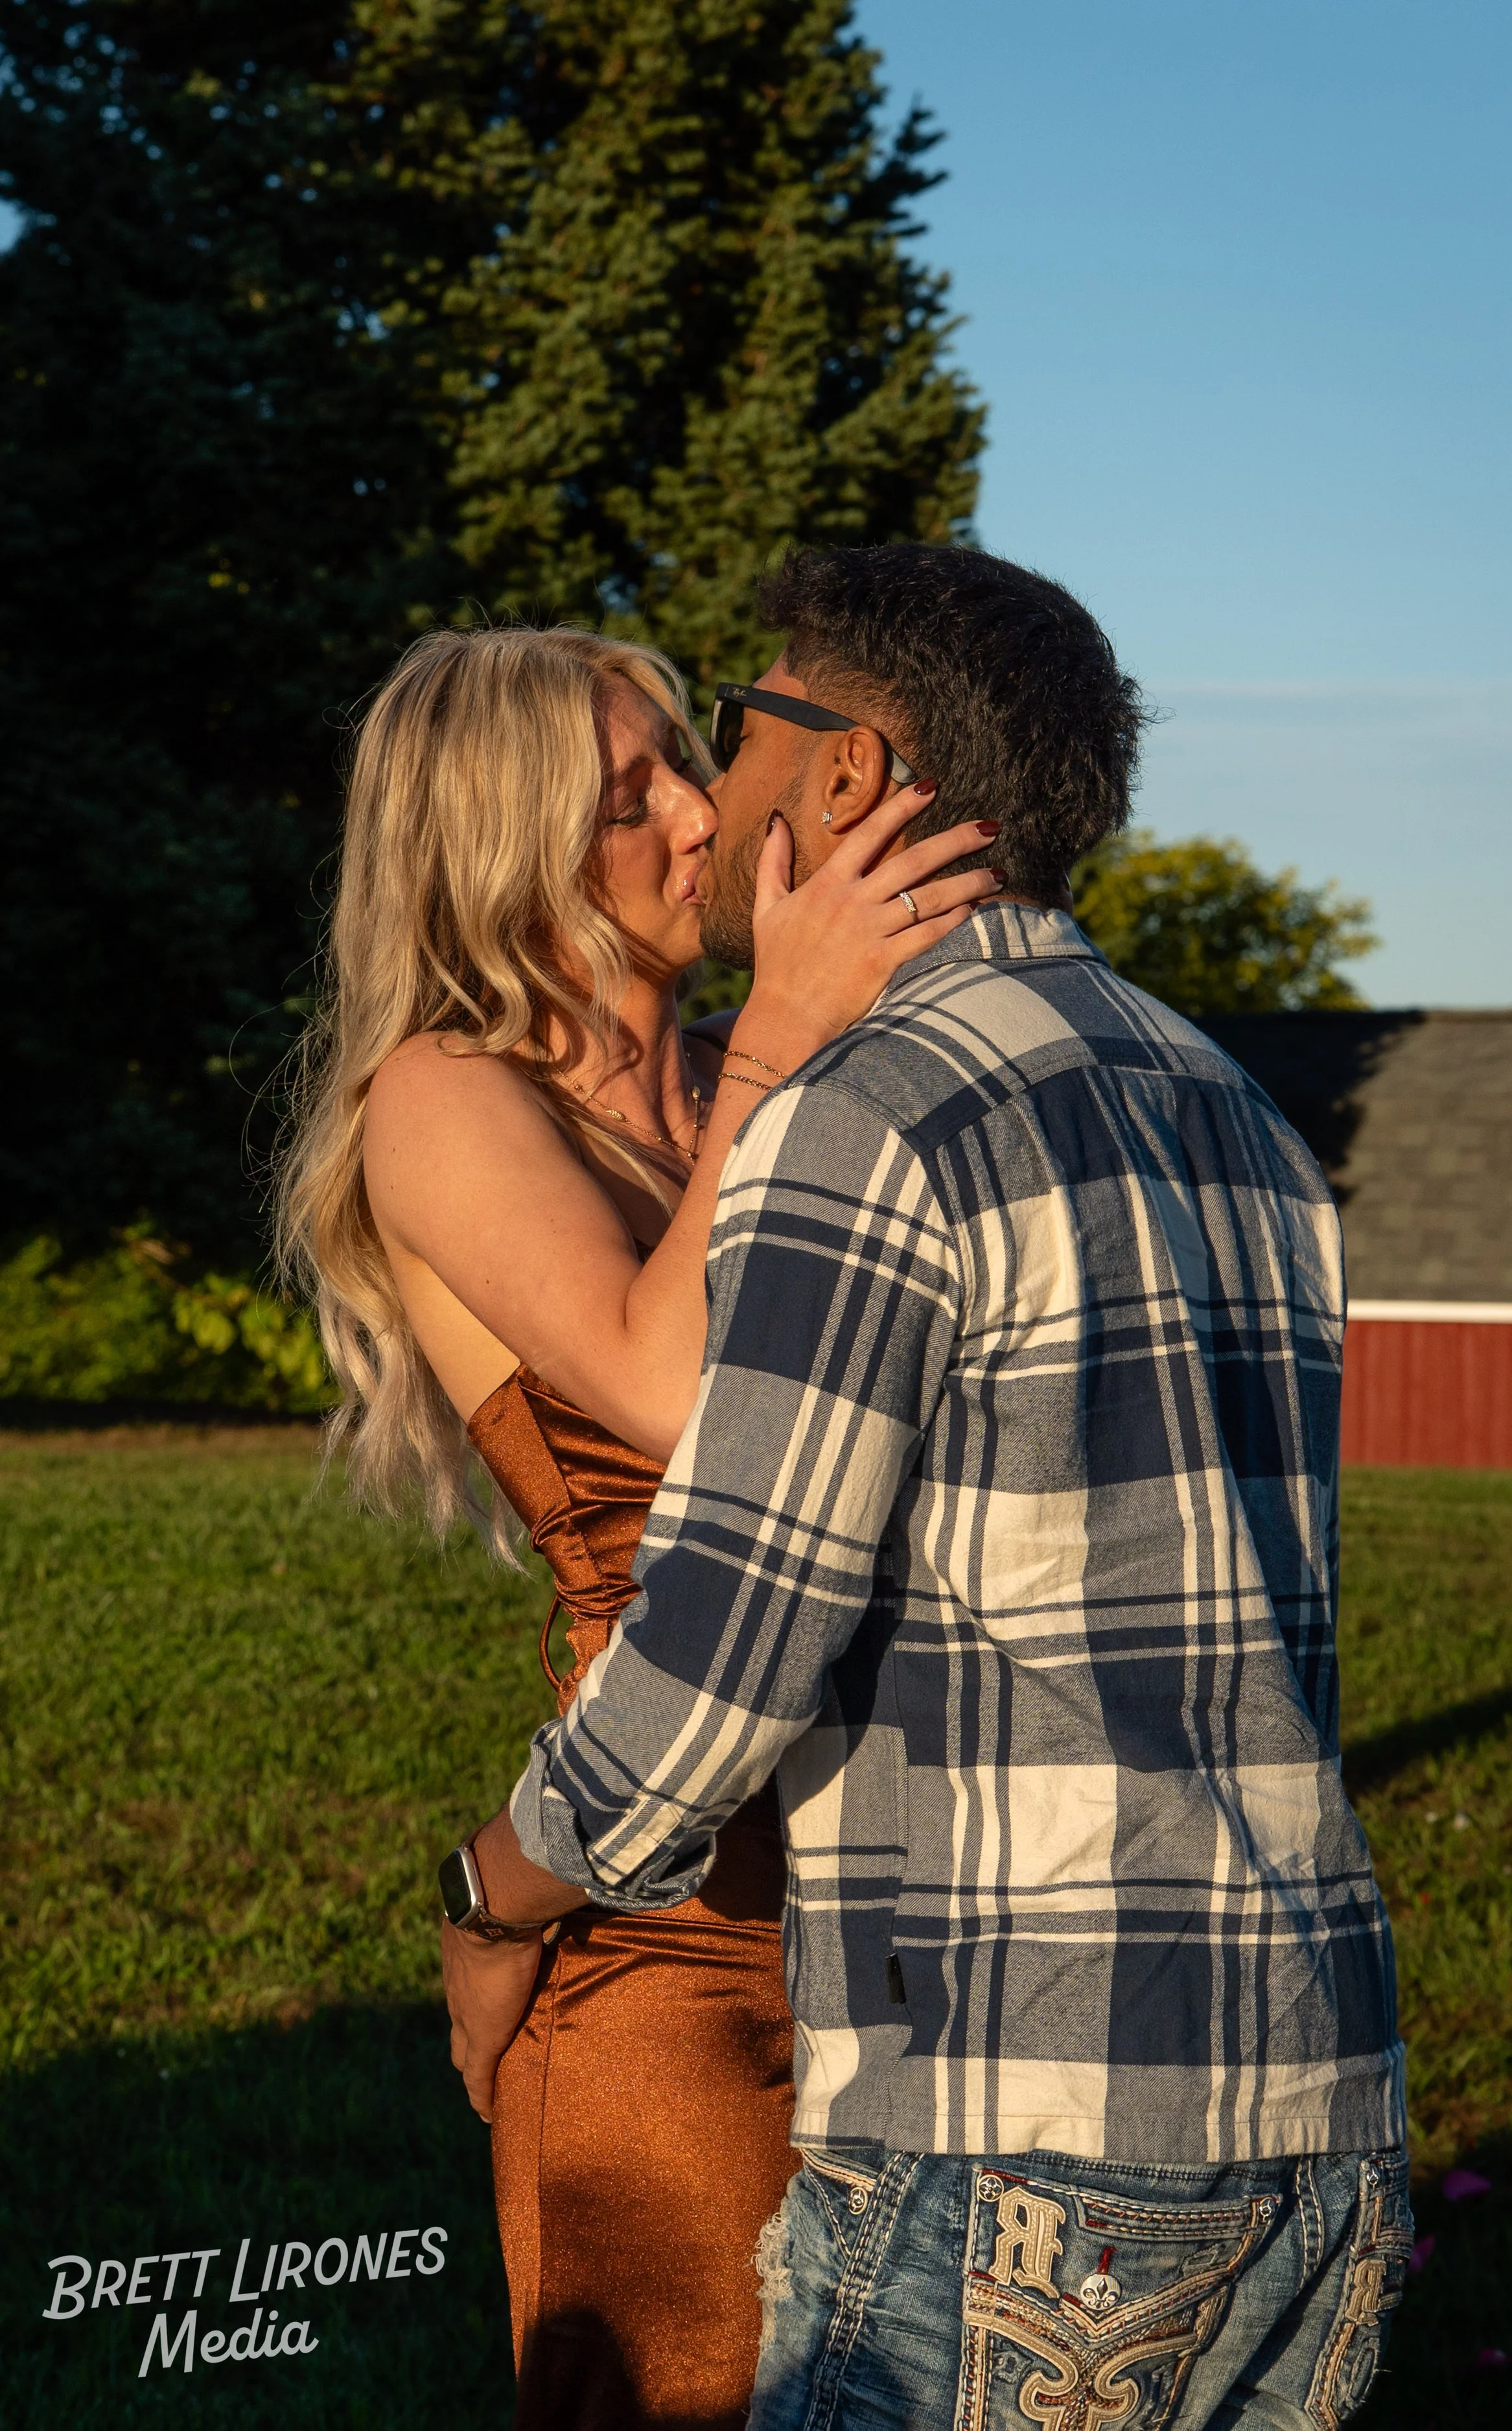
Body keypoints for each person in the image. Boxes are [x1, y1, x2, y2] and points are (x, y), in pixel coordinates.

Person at [446, 545, 1411, 2431]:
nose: (713, 800)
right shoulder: (1235, 1110)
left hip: (1020, 2124)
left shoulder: (865, 1108)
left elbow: (723, 1661)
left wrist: (490, 1902)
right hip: (1326, 2103)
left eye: (732, 734)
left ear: (847, 773)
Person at [274, 618, 1001, 2429]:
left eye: (689, 760)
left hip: (918, 1897)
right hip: (670, 1938)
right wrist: (778, 1023)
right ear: (506, 859)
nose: (700, 813)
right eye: (631, 794)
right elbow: (679, 1394)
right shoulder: (445, 1099)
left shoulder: (770, 1086)